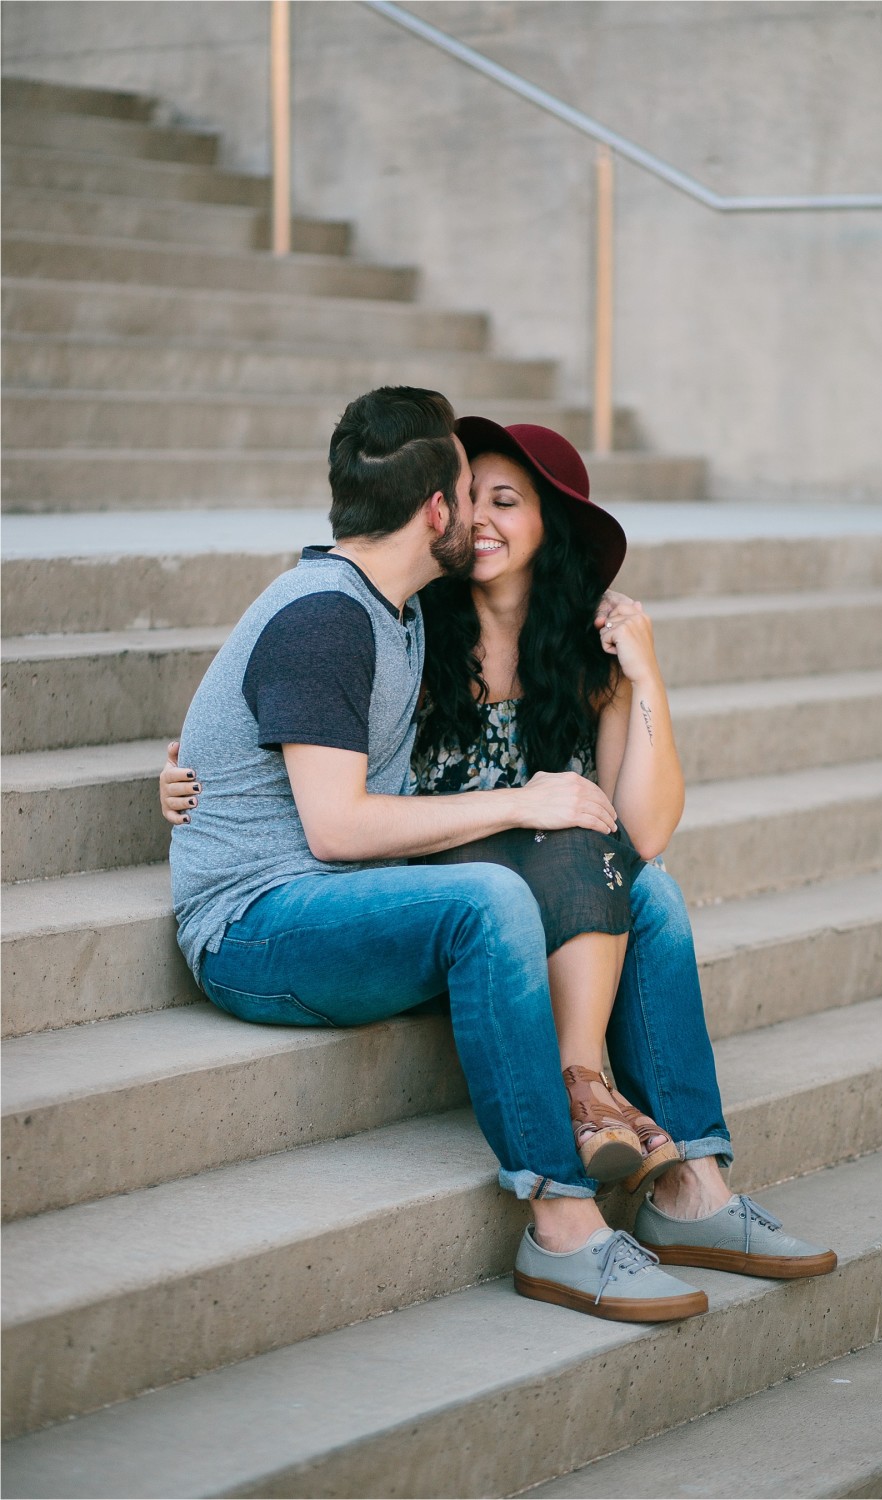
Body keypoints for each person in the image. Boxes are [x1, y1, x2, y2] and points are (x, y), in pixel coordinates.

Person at [165, 391, 837, 1313]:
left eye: (504, 500)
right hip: (260, 919)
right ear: (439, 508)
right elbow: (331, 820)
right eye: (467, 493)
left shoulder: (391, 608)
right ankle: (562, 1216)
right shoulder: (342, 614)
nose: (477, 516)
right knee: (492, 897)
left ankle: (694, 1188)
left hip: (360, 888)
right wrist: (187, 777)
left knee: (646, 889)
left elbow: (632, 832)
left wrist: (644, 677)